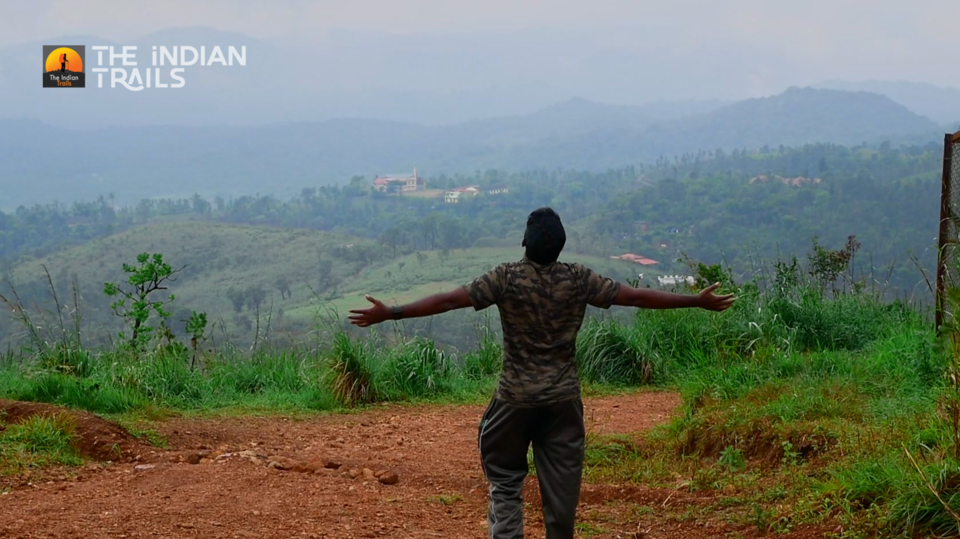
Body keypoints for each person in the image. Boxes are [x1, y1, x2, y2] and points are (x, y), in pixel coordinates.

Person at [349, 207, 735, 539]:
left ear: (524, 242)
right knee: (562, 496)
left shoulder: (505, 278)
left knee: (504, 482)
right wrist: (695, 301)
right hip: (563, 403)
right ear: (561, 246)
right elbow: (633, 296)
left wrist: (392, 312)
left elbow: (450, 300)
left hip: (513, 400)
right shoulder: (579, 279)